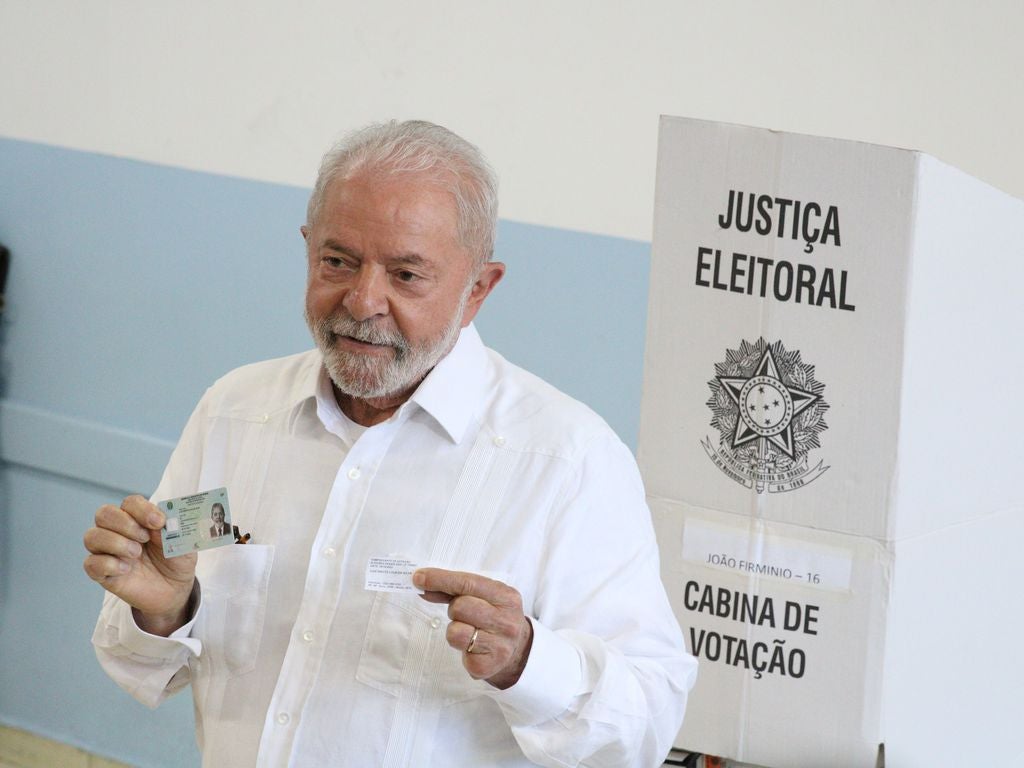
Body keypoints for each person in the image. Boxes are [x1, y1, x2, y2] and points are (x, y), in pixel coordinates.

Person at [83, 120, 697, 767]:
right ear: (308, 250)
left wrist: (525, 660)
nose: (362, 301)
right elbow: (142, 659)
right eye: (338, 262)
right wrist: (164, 611)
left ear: (477, 290)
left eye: (405, 275)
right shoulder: (236, 413)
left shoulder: (567, 461)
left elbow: (647, 722)